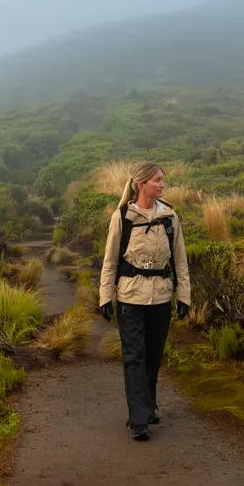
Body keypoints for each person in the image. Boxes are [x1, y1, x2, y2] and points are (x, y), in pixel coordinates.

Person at [97, 161, 191, 441]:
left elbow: (180, 261)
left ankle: (148, 406)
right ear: (141, 185)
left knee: (153, 356)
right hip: (130, 298)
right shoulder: (123, 217)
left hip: (161, 297)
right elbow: (110, 261)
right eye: (157, 180)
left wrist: (184, 296)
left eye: (162, 180)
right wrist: (105, 296)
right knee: (134, 357)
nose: (162, 185)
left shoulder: (170, 217)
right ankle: (139, 419)